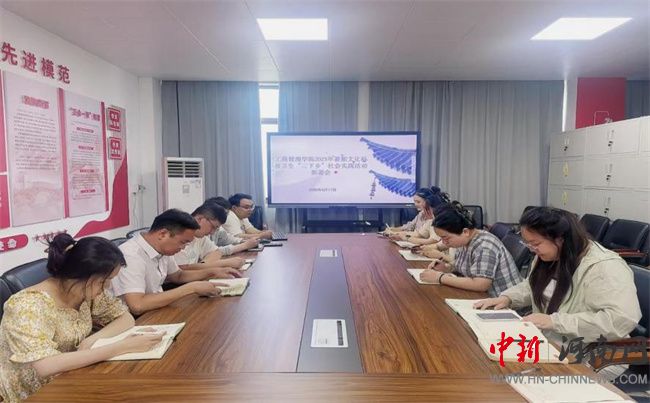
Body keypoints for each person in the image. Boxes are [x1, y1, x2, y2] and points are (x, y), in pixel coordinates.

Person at [0, 234, 162, 402]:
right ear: (82, 275)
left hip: (73, 375)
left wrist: (93, 340)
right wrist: (121, 347)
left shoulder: (84, 291)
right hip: (35, 393)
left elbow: (126, 318)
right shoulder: (28, 306)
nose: (107, 287)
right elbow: (45, 366)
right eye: (104, 281)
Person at [474, 207, 641, 346]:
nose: (531, 249)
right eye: (528, 243)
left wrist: (554, 322)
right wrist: (508, 298)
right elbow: (531, 286)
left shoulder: (605, 267)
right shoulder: (549, 256)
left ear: (561, 239)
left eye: (536, 243)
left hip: (591, 350)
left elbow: (620, 320)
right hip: (551, 339)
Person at [111, 209, 233, 315]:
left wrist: (212, 272)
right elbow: (137, 305)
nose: (183, 248)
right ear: (163, 234)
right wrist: (191, 288)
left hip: (157, 309)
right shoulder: (131, 255)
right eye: (183, 242)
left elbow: (178, 275)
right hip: (135, 319)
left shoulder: (162, 248)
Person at [419, 202, 522, 297]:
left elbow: (481, 284)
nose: (444, 242)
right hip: (481, 297)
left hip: (501, 302)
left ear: (465, 232)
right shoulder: (465, 241)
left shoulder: (484, 246)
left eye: (446, 238)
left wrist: (440, 277)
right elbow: (464, 266)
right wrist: (446, 268)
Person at [174, 202, 249, 270]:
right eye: (213, 227)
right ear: (200, 219)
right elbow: (181, 270)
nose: (212, 232)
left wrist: (204, 265)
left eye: (216, 229)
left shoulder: (201, 237)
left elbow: (216, 252)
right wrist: (223, 263)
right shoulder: (178, 235)